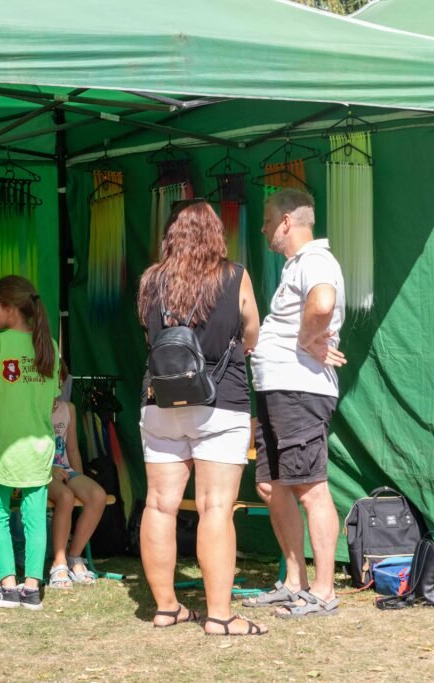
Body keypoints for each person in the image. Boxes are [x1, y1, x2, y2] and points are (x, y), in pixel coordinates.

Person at [136, 200, 262, 635]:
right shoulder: (235, 276)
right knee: (216, 508)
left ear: (171, 234)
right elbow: (251, 332)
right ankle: (220, 616)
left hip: (160, 399)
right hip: (220, 399)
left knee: (159, 504)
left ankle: (166, 607)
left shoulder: (151, 280)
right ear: (215, 234)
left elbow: (149, 335)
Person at [241, 189, 346, 619]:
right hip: (277, 388)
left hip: (300, 389)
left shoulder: (316, 260)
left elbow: (322, 303)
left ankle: (323, 591)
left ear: (287, 221)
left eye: (268, 220)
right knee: (272, 486)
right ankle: (294, 582)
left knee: (309, 487)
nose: (263, 228)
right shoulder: (296, 266)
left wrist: (305, 340)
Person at [0, 275, 58, 611]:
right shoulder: (49, 344)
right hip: (40, 445)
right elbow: (52, 402)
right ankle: (32, 589)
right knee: (35, 516)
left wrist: (1, 412)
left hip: (6, 444)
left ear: (10, 309)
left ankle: (7, 587)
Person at [46, 361, 107, 590]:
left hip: (65, 469)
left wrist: (78, 478)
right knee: (65, 497)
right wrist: (48, 470)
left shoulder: (68, 408)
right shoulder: (32, 408)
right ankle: (58, 562)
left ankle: (74, 556)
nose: (55, 382)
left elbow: (72, 449)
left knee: (98, 496)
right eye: (49, 377)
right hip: (40, 471)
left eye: (59, 378)